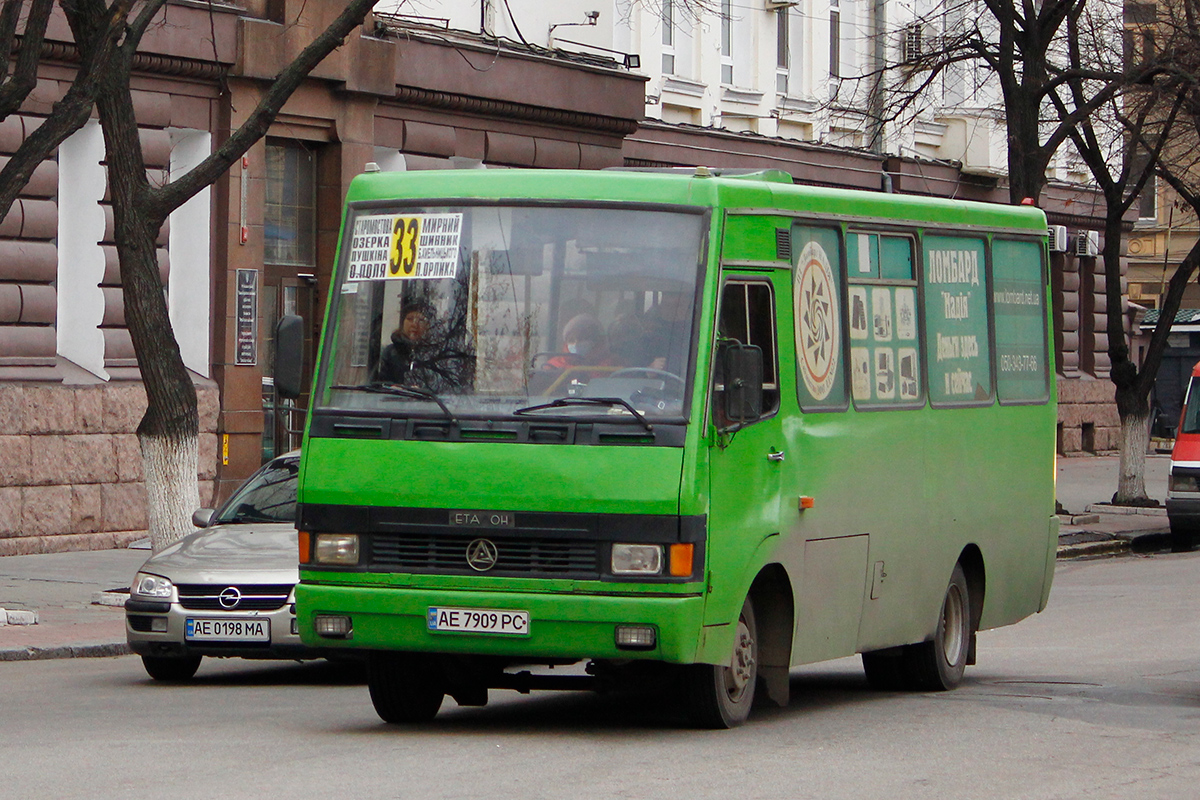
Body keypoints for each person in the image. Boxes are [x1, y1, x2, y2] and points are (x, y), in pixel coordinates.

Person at [374, 302, 464, 391]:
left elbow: (444, 387)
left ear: (429, 326)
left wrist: (423, 390)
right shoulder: (390, 352)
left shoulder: (438, 354)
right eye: (410, 319)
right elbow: (381, 384)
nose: (414, 324)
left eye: (421, 320)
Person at [544, 314, 615, 370]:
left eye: (582, 339)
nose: (576, 344)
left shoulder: (611, 366)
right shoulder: (553, 366)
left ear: (596, 340)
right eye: (571, 340)